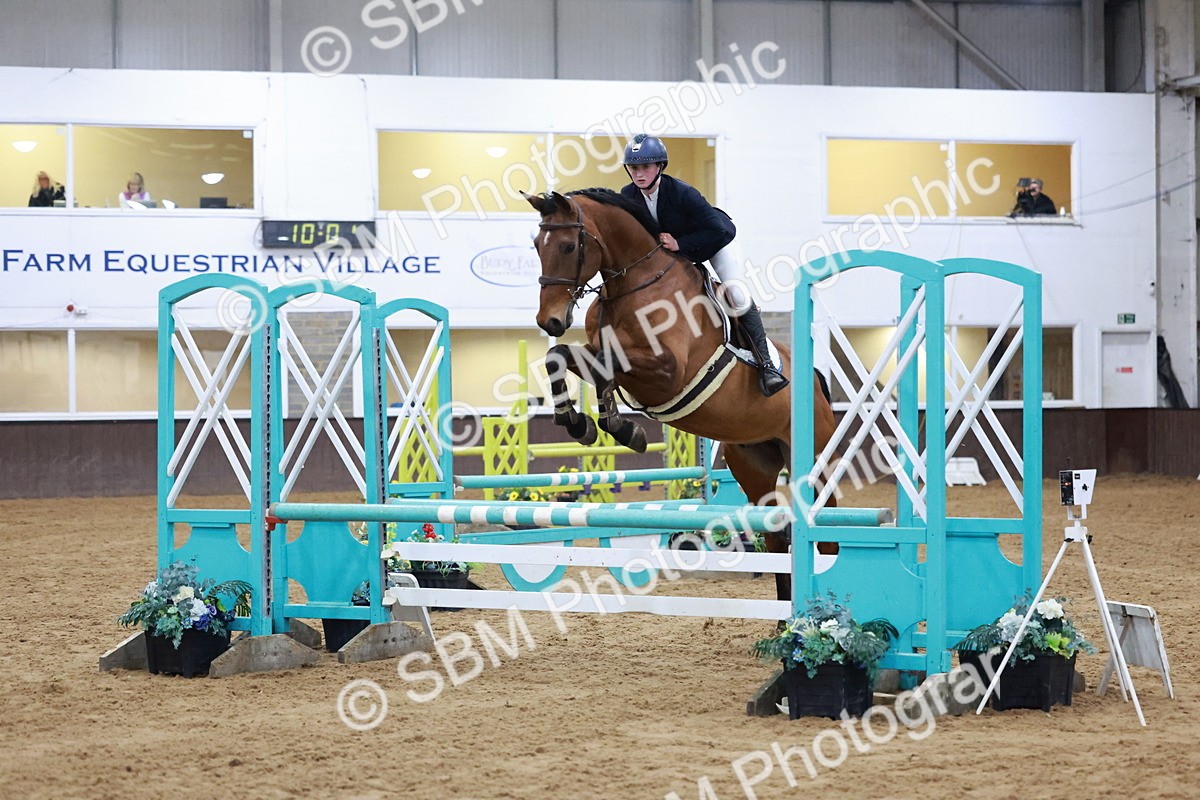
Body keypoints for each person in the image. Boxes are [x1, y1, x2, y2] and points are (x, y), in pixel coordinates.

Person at [618, 134, 787, 397]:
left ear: (660, 166)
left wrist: (680, 244)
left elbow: (717, 230)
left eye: (646, 167)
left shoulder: (683, 193)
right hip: (677, 252)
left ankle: (767, 366)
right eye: (634, 168)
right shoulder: (628, 196)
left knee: (737, 294)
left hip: (716, 241)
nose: (639, 174)